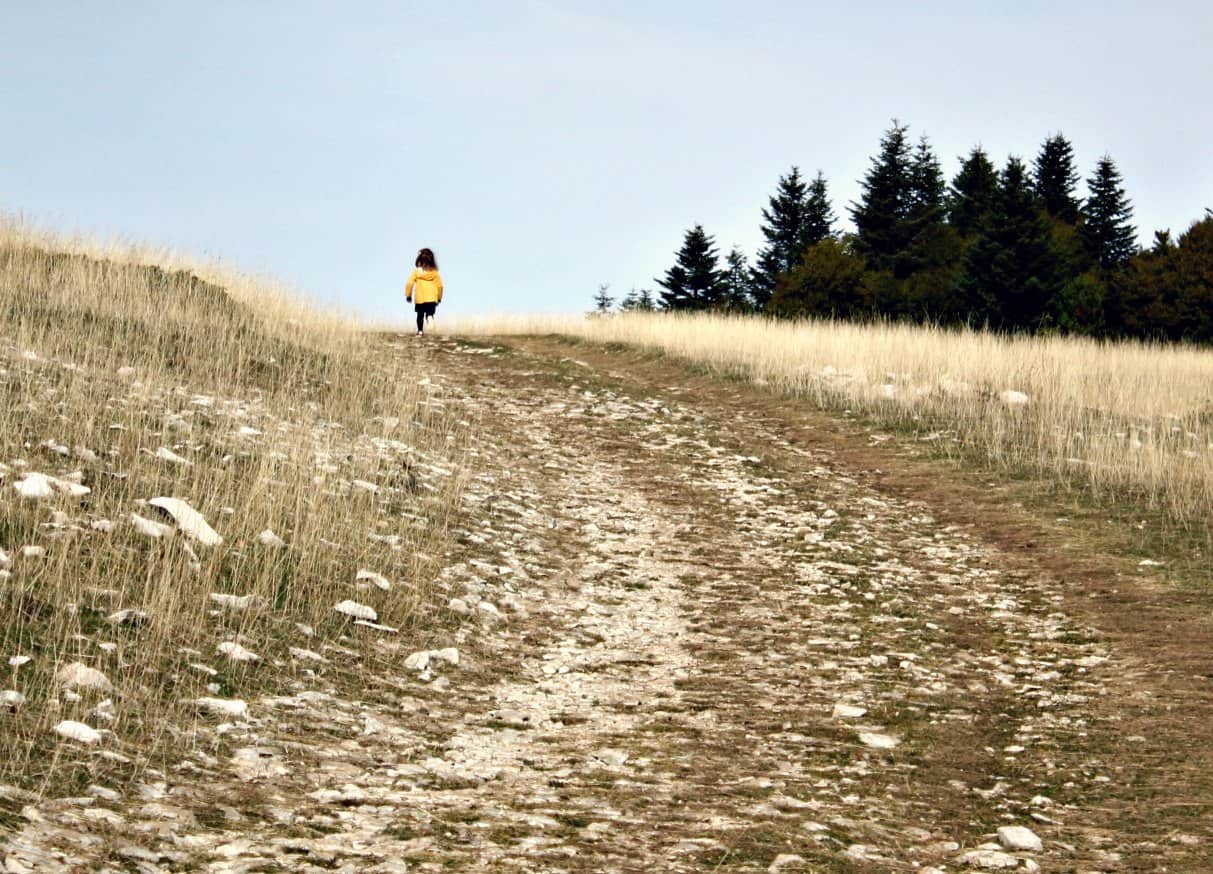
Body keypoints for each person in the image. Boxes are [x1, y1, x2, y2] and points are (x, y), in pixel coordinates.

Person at [405, 248, 443, 336]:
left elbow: (409, 283)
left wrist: (408, 295)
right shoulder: (435, 273)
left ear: (419, 260)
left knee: (420, 315)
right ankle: (429, 317)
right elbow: (440, 286)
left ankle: (420, 331)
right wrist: (439, 298)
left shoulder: (416, 272)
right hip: (432, 298)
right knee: (429, 313)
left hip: (420, 298)